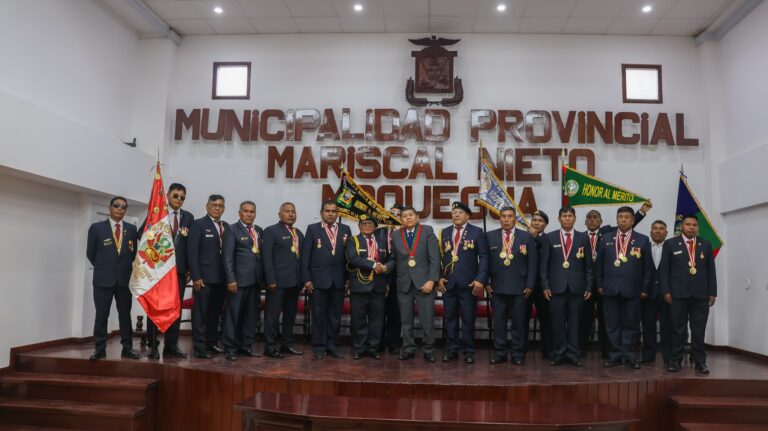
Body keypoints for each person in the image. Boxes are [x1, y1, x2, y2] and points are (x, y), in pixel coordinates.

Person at [582, 202, 652, 358]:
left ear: (633, 220)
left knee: (631, 325)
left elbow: (648, 268)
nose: (623, 220)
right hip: (609, 289)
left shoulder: (642, 240)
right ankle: (614, 356)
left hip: (632, 289)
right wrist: (599, 285)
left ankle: (630, 356)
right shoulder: (606, 237)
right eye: (620, 217)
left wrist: (644, 289)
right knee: (611, 325)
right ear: (616, 219)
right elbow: (599, 265)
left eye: (627, 217)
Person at [659, 214, 717, 374]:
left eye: (694, 225)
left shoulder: (705, 244)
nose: (691, 227)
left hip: (701, 295)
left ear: (697, 227)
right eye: (688, 224)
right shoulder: (670, 244)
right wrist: (666, 291)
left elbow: (711, 271)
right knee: (678, 329)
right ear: (681, 227)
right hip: (677, 294)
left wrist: (712, 292)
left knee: (699, 329)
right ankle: (675, 360)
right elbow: (664, 271)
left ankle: (700, 361)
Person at [86, 196, 140, 360]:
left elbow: (132, 253)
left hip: (124, 279)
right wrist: (106, 267)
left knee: (125, 315)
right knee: (102, 315)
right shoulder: (97, 228)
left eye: (123, 207)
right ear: (109, 208)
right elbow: (91, 253)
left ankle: (127, 347)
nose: (120, 209)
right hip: (103, 279)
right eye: (116, 206)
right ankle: (100, 348)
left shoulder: (131, 229)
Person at [539, 206, 593, 367]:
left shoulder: (583, 238)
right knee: (557, 323)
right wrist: (545, 286)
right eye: (564, 216)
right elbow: (544, 266)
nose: (567, 218)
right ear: (559, 219)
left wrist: (589, 287)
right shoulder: (549, 237)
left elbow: (589, 266)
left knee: (575, 322)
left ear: (575, 219)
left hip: (577, 288)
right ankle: (559, 353)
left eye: (570, 216)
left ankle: (572, 354)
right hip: (555, 289)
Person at [438, 202, 489, 364]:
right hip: (449, 283)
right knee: (450, 319)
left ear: (467, 215)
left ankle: (468, 350)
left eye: (460, 212)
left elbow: (484, 257)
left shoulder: (477, 232)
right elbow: (440, 258)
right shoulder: (444, 232)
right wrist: (439, 276)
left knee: (468, 319)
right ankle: (451, 350)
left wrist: (480, 279)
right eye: (454, 212)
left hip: (469, 284)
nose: (456, 215)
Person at [145, 183, 192, 360]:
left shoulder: (188, 217)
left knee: (175, 310)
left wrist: (188, 269)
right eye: (176, 195)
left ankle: (171, 345)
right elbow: (142, 237)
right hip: (159, 272)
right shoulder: (157, 213)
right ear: (168, 196)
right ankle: (153, 345)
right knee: (156, 310)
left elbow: (190, 247)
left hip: (178, 272)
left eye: (182, 197)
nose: (179, 199)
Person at [487, 206, 537, 365]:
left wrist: (530, 284)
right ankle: (500, 352)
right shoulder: (490, 236)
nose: (506, 219)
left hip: (520, 287)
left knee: (519, 322)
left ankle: (517, 353)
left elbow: (532, 264)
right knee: (499, 322)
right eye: (503, 216)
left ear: (515, 219)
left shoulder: (526, 237)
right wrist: (487, 282)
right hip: (497, 286)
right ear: (499, 218)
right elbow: (485, 262)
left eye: (510, 216)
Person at [302, 200, 352, 359]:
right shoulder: (312, 229)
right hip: (317, 281)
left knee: (335, 316)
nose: (331, 213)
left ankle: (333, 346)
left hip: (338, 281)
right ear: (321, 213)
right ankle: (319, 347)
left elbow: (348, 257)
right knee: (318, 315)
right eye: (327, 211)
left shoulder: (345, 229)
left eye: (333, 211)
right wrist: (307, 279)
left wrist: (347, 278)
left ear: (337, 213)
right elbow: (305, 257)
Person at [390, 206, 440, 362]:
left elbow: (435, 259)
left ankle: (429, 349)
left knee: (427, 319)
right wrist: (383, 267)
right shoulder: (396, 235)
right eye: (404, 216)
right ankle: (408, 348)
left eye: (411, 215)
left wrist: (432, 280)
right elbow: (394, 259)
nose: (408, 218)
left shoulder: (427, 231)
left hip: (424, 283)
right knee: (405, 319)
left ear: (417, 217)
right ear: (401, 219)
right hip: (404, 282)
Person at [346, 217, 394, 360]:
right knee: (358, 319)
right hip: (359, 286)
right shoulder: (352, 240)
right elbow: (353, 258)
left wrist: (386, 267)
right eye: (364, 223)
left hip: (378, 286)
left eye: (370, 223)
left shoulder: (384, 241)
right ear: (359, 226)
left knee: (376, 319)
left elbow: (392, 258)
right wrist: (374, 265)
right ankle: (359, 348)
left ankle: (373, 347)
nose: (367, 225)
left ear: (375, 226)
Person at [221, 201, 264, 361]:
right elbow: (227, 258)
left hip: (254, 282)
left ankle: (245, 346)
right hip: (237, 282)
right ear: (239, 213)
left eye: (252, 211)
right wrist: (230, 279)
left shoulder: (258, 230)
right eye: (246, 211)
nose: (249, 214)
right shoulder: (231, 230)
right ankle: (230, 348)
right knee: (233, 316)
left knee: (250, 316)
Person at [188, 194, 229, 358]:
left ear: (224, 208)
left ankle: (211, 343)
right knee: (200, 314)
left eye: (220, 206)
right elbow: (192, 253)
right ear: (207, 206)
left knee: (215, 312)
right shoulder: (198, 224)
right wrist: (196, 277)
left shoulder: (226, 226)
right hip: (203, 278)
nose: (217, 208)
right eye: (214, 205)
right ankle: (199, 346)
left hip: (221, 278)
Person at [262, 202, 305, 358]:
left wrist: (303, 280)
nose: (291, 214)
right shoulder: (271, 231)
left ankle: (287, 344)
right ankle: (270, 347)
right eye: (287, 211)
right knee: (272, 316)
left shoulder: (298, 233)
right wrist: (270, 280)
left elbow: (302, 259)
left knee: (289, 315)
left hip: (295, 283)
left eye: (293, 211)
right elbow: (266, 258)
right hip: (277, 283)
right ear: (279, 214)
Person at [642, 219, 673, 365]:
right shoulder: (643, 247)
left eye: (661, 228)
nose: (658, 231)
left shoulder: (672, 248)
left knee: (667, 327)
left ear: (666, 233)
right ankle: (648, 356)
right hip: (647, 294)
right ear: (650, 232)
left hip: (667, 294)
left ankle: (668, 356)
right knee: (648, 326)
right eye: (655, 228)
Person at [377, 204, 403, 354]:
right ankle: (378, 342)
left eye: (397, 214)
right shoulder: (377, 232)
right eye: (391, 213)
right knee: (379, 310)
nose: (394, 216)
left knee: (395, 311)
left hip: (399, 277)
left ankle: (393, 342)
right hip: (380, 275)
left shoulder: (405, 233)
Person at [527, 210, 552, 359]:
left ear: (546, 224)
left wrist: (536, 236)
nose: (536, 223)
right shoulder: (522, 237)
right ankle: (521, 348)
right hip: (526, 285)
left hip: (544, 286)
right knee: (523, 318)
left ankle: (548, 349)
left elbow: (547, 249)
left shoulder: (549, 239)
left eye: (540, 221)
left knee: (546, 319)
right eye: (534, 220)